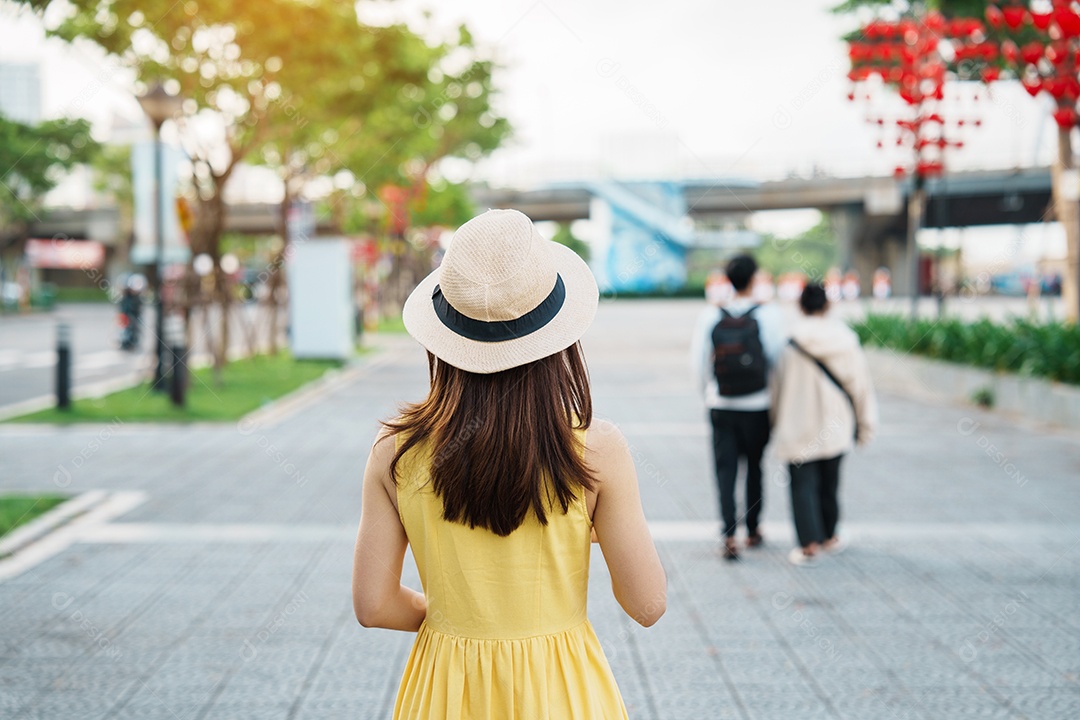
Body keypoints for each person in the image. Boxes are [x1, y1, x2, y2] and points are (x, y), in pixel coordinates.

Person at [352, 209, 666, 719]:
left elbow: (373, 605)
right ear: (557, 335)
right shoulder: (597, 450)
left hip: (446, 694)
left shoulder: (396, 452)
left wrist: (459, 615)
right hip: (562, 693)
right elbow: (647, 604)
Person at [770, 283, 878, 566]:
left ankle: (808, 545)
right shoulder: (845, 339)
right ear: (827, 305)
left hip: (798, 423)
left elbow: (776, 387)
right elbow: (861, 386)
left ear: (800, 306)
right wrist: (866, 424)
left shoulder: (789, 341)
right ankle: (830, 536)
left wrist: (774, 421)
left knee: (802, 485)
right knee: (830, 483)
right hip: (836, 424)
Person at [691, 254, 786, 561]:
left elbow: (698, 362)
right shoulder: (769, 314)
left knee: (725, 469)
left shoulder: (711, 314)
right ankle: (754, 529)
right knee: (755, 465)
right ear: (754, 278)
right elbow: (777, 359)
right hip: (758, 404)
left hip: (722, 404)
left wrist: (708, 392)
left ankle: (729, 534)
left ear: (728, 279)